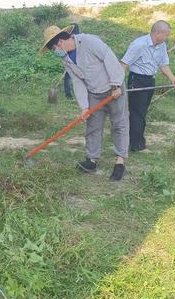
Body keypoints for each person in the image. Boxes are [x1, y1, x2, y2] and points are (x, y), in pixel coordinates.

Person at [40, 24, 129, 181]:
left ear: (59, 42)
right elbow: (77, 81)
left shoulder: (89, 42)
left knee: (119, 124)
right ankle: (92, 160)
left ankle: (120, 162)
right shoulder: (66, 59)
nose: (55, 53)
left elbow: (109, 58)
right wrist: (84, 106)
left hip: (114, 89)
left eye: (53, 49)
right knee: (92, 127)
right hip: (94, 93)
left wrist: (116, 84)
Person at [121, 21, 175, 152]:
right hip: (137, 80)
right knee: (137, 112)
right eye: (166, 35)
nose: (167, 38)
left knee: (143, 111)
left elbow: (163, 65)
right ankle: (137, 144)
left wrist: (172, 79)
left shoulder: (162, 45)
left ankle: (134, 139)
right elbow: (124, 64)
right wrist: (117, 85)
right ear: (157, 33)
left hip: (150, 80)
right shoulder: (139, 44)